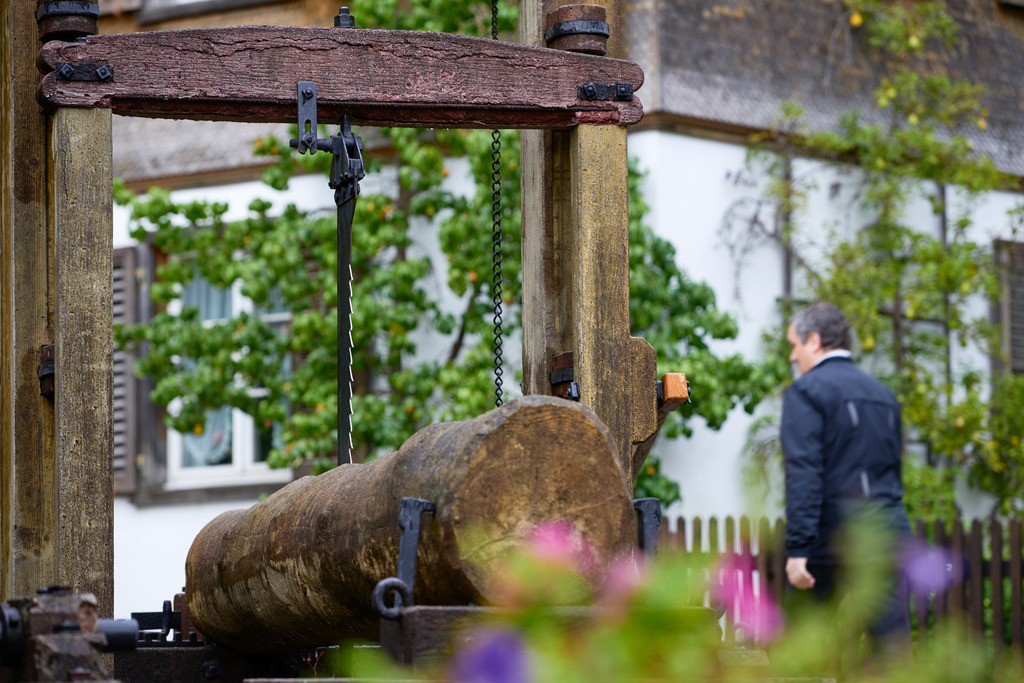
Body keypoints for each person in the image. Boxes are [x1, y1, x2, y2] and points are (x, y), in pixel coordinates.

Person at [781, 302, 910, 639]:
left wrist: (798, 550)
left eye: (794, 345)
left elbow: (805, 473)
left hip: (831, 542)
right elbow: (891, 475)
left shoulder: (805, 393)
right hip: (886, 535)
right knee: (893, 652)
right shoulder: (884, 396)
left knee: (800, 653)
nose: (793, 357)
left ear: (814, 340)